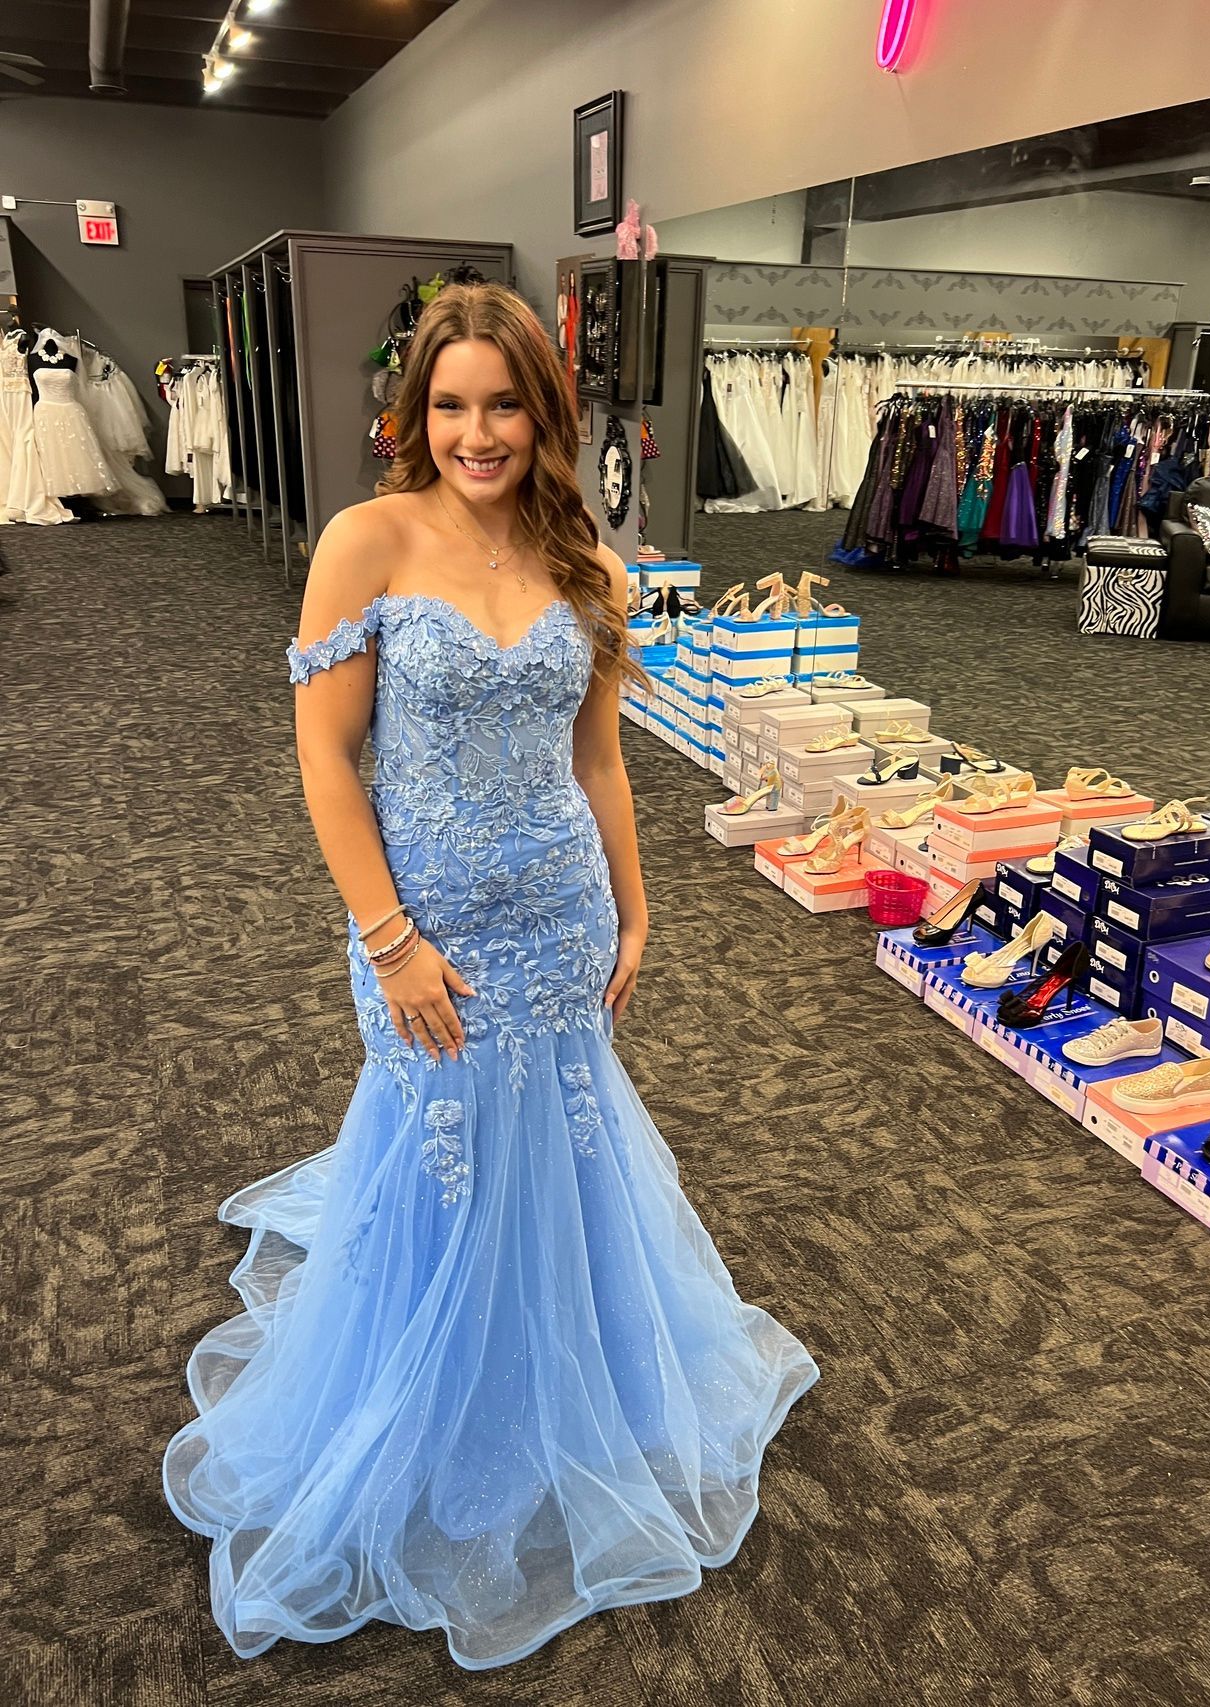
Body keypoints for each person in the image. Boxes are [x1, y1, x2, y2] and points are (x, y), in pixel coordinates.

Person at [161, 282, 819, 1672]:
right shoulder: (368, 540)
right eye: (452, 404)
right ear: (417, 413)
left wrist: (634, 910)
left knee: (560, 1147)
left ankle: (562, 1393)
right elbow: (326, 756)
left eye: (506, 404)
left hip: (559, 916)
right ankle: (433, 1416)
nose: (479, 433)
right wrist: (390, 939)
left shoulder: (586, 560)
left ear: (545, 414)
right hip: (426, 926)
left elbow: (601, 760)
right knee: (441, 1151)